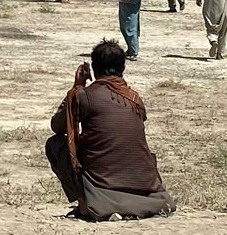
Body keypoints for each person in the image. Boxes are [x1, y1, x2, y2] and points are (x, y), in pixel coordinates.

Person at [46, 39, 176, 221]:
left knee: (55, 144)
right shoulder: (135, 98)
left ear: (94, 69)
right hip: (145, 185)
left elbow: (57, 127)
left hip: (102, 184)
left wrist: (76, 87)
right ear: (123, 68)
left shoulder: (85, 95)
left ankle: (85, 203)